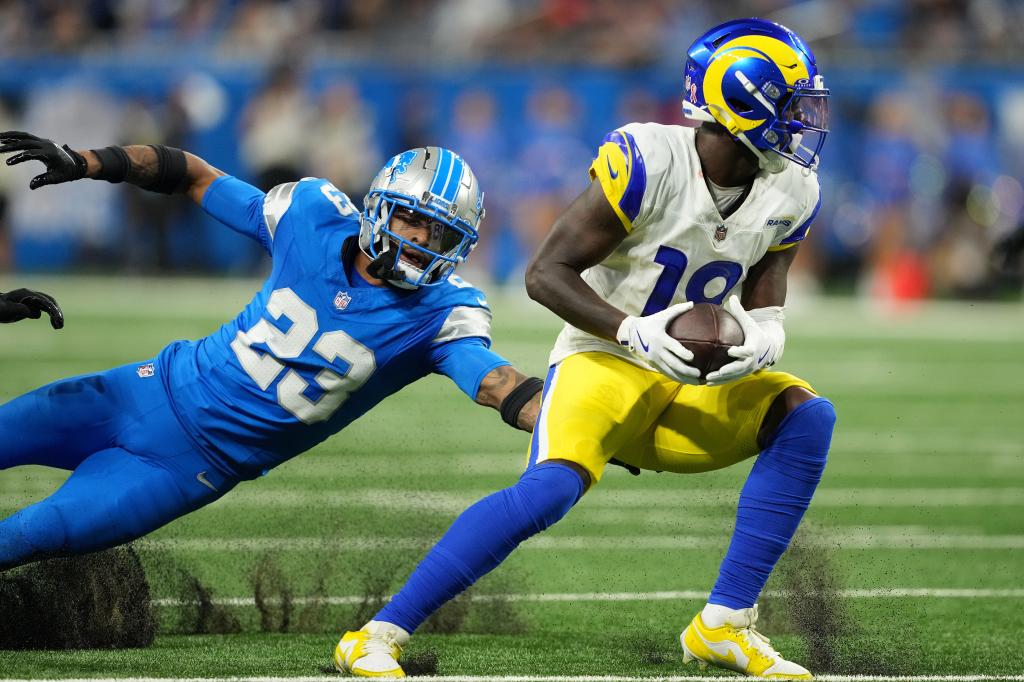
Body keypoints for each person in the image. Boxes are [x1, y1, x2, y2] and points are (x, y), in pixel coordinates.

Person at [334, 18, 835, 680]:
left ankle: (723, 624)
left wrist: (765, 335)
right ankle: (373, 635)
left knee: (807, 416)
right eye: (792, 104)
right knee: (548, 491)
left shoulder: (793, 188)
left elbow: (767, 289)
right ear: (738, 99)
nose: (804, 122)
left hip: (687, 383)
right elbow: (544, 273)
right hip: (606, 361)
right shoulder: (650, 159)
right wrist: (632, 330)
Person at [0, 131, 545, 573]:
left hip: (183, 465)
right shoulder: (311, 217)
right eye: (411, 221)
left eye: (440, 236)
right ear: (380, 206)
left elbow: (498, 384)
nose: (421, 243)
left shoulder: (438, 315)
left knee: (26, 533)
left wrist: (576, 419)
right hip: (137, 390)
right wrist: (89, 160)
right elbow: (192, 175)